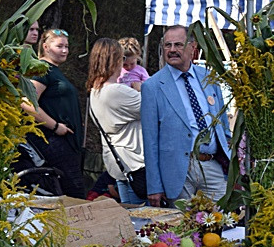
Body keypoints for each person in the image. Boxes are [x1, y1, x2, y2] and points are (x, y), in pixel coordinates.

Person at [141, 25, 230, 206]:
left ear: (192, 47)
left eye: (178, 45)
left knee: (222, 225)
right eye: (168, 45)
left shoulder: (209, 78)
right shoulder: (152, 86)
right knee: (182, 230)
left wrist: (232, 166)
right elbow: (150, 141)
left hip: (213, 165)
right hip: (178, 171)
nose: (172, 50)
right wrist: (154, 186)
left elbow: (223, 126)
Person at [87, 38, 145, 205]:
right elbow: (157, 109)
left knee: (131, 217)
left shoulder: (95, 91)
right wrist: (141, 88)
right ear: (116, 61)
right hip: (135, 165)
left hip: (120, 165)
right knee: (142, 220)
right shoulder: (117, 91)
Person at [29, 29, 86, 198]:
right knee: (75, 194)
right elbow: (27, 102)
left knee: (73, 193)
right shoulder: (42, 69)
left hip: (67, 144)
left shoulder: (55, 71)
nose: (65, 50)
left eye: (67, 46)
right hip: (53, 142)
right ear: (46, 47)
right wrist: (55, 126)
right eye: (59, 46)